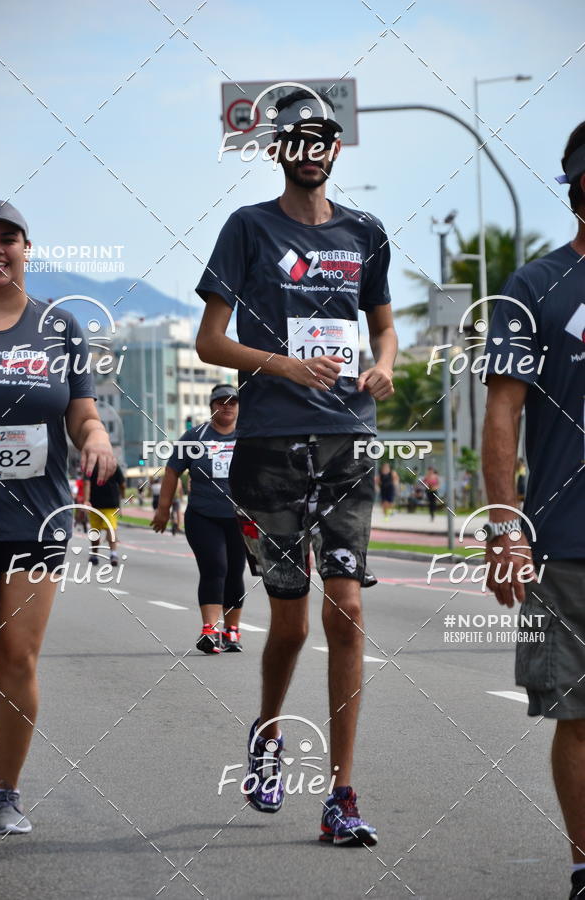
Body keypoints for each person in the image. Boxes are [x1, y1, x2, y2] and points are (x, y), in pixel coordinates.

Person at [195, 89, 397, 845]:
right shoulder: (247, 229)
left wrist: (381, 367)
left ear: (335, 149)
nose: (310, 151)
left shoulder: (365, 231)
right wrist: (281, 365)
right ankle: (269, 733)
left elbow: (386, 329)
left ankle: (342, 794)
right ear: (278, 149)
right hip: (271, 448)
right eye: (296, 140)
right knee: (290, 621)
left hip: (347, 438)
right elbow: (210, 342)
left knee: (345, 608)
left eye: (322, 140)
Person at [0, 200, 115, 833]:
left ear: (26, 248)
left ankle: (6, 791)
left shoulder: (59, 328)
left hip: (36, 518)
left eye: (9, 238)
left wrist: (95, 435)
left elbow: (81, 410)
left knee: (18, 660)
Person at [482, 122, 585, 900]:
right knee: (578, 714)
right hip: (568, 542)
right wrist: (505, 524)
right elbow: (502, 414)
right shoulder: (533, 289)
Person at [151, 385, 247, 652]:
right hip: (204, 515)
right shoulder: (195, 437)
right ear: (211, 406)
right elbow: (171, 472)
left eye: (232, 402)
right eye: (220, 402)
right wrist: (163, 509)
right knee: (215, 567)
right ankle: (209, 630)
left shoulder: (248, 436)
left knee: (234, 573)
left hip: (241, 518)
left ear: (239, 406)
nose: (226, 406)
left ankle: (232, 631)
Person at [83, 458, 125, 566]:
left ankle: (94, 555)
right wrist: (123, 496)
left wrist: (86, 500)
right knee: (111, 528)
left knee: (95, 531)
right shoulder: (114, 465)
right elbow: (122, 484)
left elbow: (87, 483)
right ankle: (113, 554)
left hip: (95, 503)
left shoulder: (90, 466)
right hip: (111, 503)